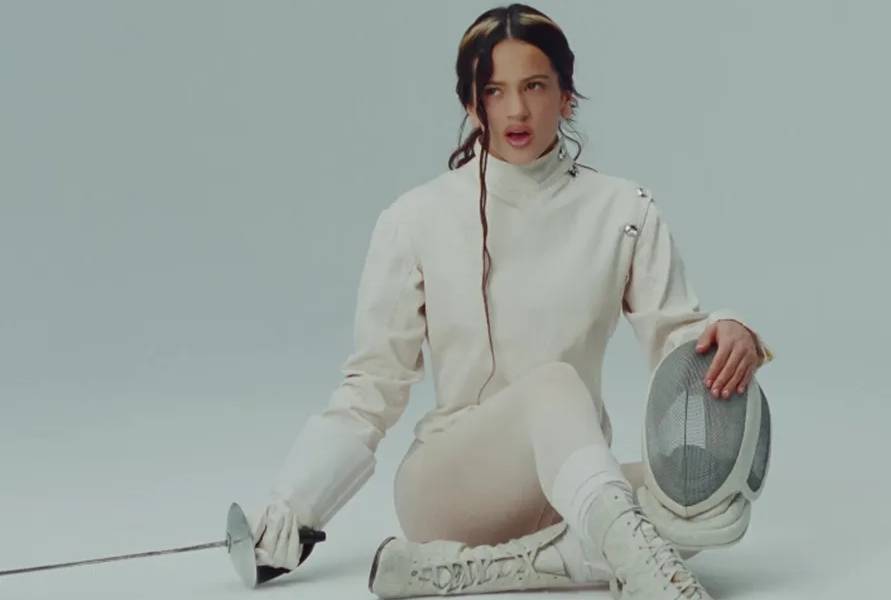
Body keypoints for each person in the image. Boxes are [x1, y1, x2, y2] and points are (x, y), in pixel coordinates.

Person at [250, 4, 774, 599]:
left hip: (570, 485)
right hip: (450, 489)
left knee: (709, 506)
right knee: (554, 384)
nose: (516, 111)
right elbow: (372, 385)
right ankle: (644, 573)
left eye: (534, 86)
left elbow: (676, 340)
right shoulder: (414, 219)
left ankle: (463, 571)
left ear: (566, 96)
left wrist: (729, 331)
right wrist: (293, 506)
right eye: (494, 91)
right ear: (472, 105)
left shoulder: (625, 210)